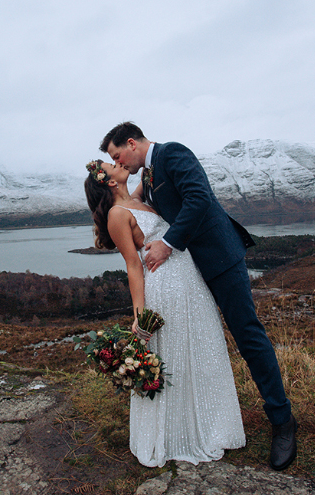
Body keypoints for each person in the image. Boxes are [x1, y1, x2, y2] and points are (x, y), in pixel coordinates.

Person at [100, 121, 298, 471]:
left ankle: (282, 422)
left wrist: (168, 244)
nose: (121, 163)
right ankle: (197, 419)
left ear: (131, 143)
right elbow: (133, 217)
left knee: (248, 336)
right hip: (188, 276)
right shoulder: (146, 178)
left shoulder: (173, 153)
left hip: (220, 259)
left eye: (118, 155)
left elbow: (199, 198)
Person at [85, 159, 245, 467]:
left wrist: (150, 159)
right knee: (175, 352)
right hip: (165, 286)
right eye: (111, 163)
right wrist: (139, 315)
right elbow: (133, 265)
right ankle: (175, 435)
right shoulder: (118, 215)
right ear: (108, 181)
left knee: (202, 347)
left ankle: (212, 427)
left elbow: (148, 172)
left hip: (189, 278)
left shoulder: (135, 198)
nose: (118, 162)